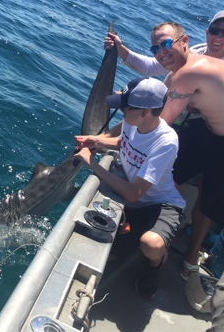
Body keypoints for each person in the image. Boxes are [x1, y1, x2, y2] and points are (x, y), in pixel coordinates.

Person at [75, 77, 185, 300]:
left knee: (151, 245)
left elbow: (133, 194)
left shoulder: (166, 141)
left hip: (160, 204)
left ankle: (155, 265)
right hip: (134, 203)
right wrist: (95, 141)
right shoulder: (132, 122)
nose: (121, 111)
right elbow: (122, 142)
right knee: (108, 257)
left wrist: (91, 163)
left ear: (145, 112)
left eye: (125, 107)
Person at [149, 20, 224, 281]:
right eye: (215, 30)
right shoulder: (191, 61)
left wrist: (106, 141)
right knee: (170, 174)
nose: (219, 36)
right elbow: (159, 97)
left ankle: (192, 256)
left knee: (210, 199)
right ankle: (158, 231)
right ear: (206, 33)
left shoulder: (190, 69)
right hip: (203, 129)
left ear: (184, 41)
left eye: (167, 43)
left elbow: (159, 125)